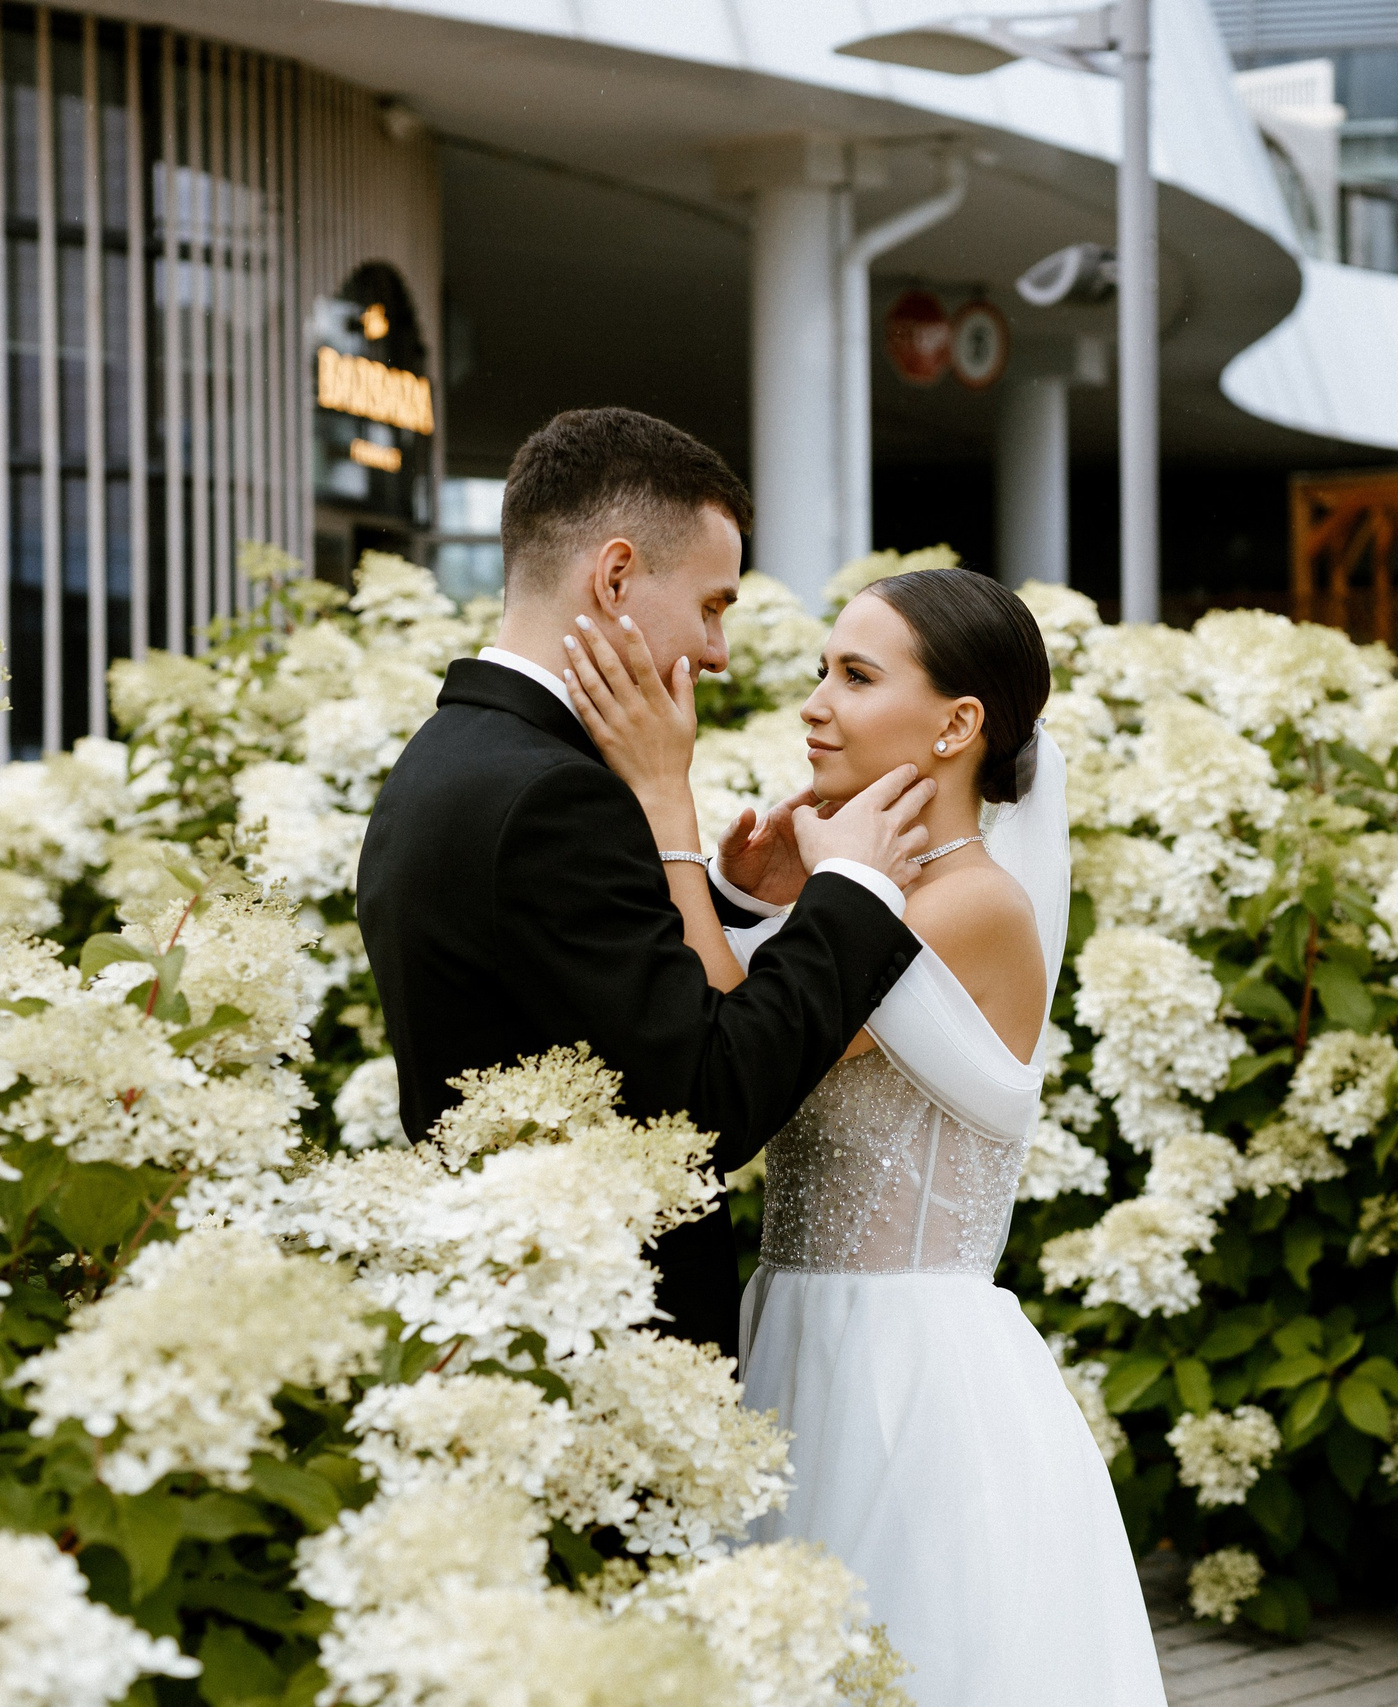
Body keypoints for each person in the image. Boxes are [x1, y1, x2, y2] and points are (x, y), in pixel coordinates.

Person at [561, 566, 1167, 1707]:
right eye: (819, 671)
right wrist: (754, 900)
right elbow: (759, 1019)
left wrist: (668, 809)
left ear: (956, 724)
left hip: (903, 1376)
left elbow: (734, 1033)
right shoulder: (871, 889)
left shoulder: (970, 905)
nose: (814, 704)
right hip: (796, 1331)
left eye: (855, 675)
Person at [356, 407, 937, 1352]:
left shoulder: (450, 753)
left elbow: (605, 1017)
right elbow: (703, 1106)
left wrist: (735, 900)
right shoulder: (555, 799)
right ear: (616, 576)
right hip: (596, 1354)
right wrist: (855, 893)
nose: (718, 652)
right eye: (713, 604)